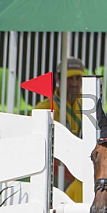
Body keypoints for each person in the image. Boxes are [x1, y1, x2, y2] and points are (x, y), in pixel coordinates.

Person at [35, 57, 85, 201]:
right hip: (53, 171)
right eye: (70, 79)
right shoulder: (44, 108)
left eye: (78, 78)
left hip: (78, 169)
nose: (75, 83)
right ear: (58, 78)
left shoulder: (86, 106)